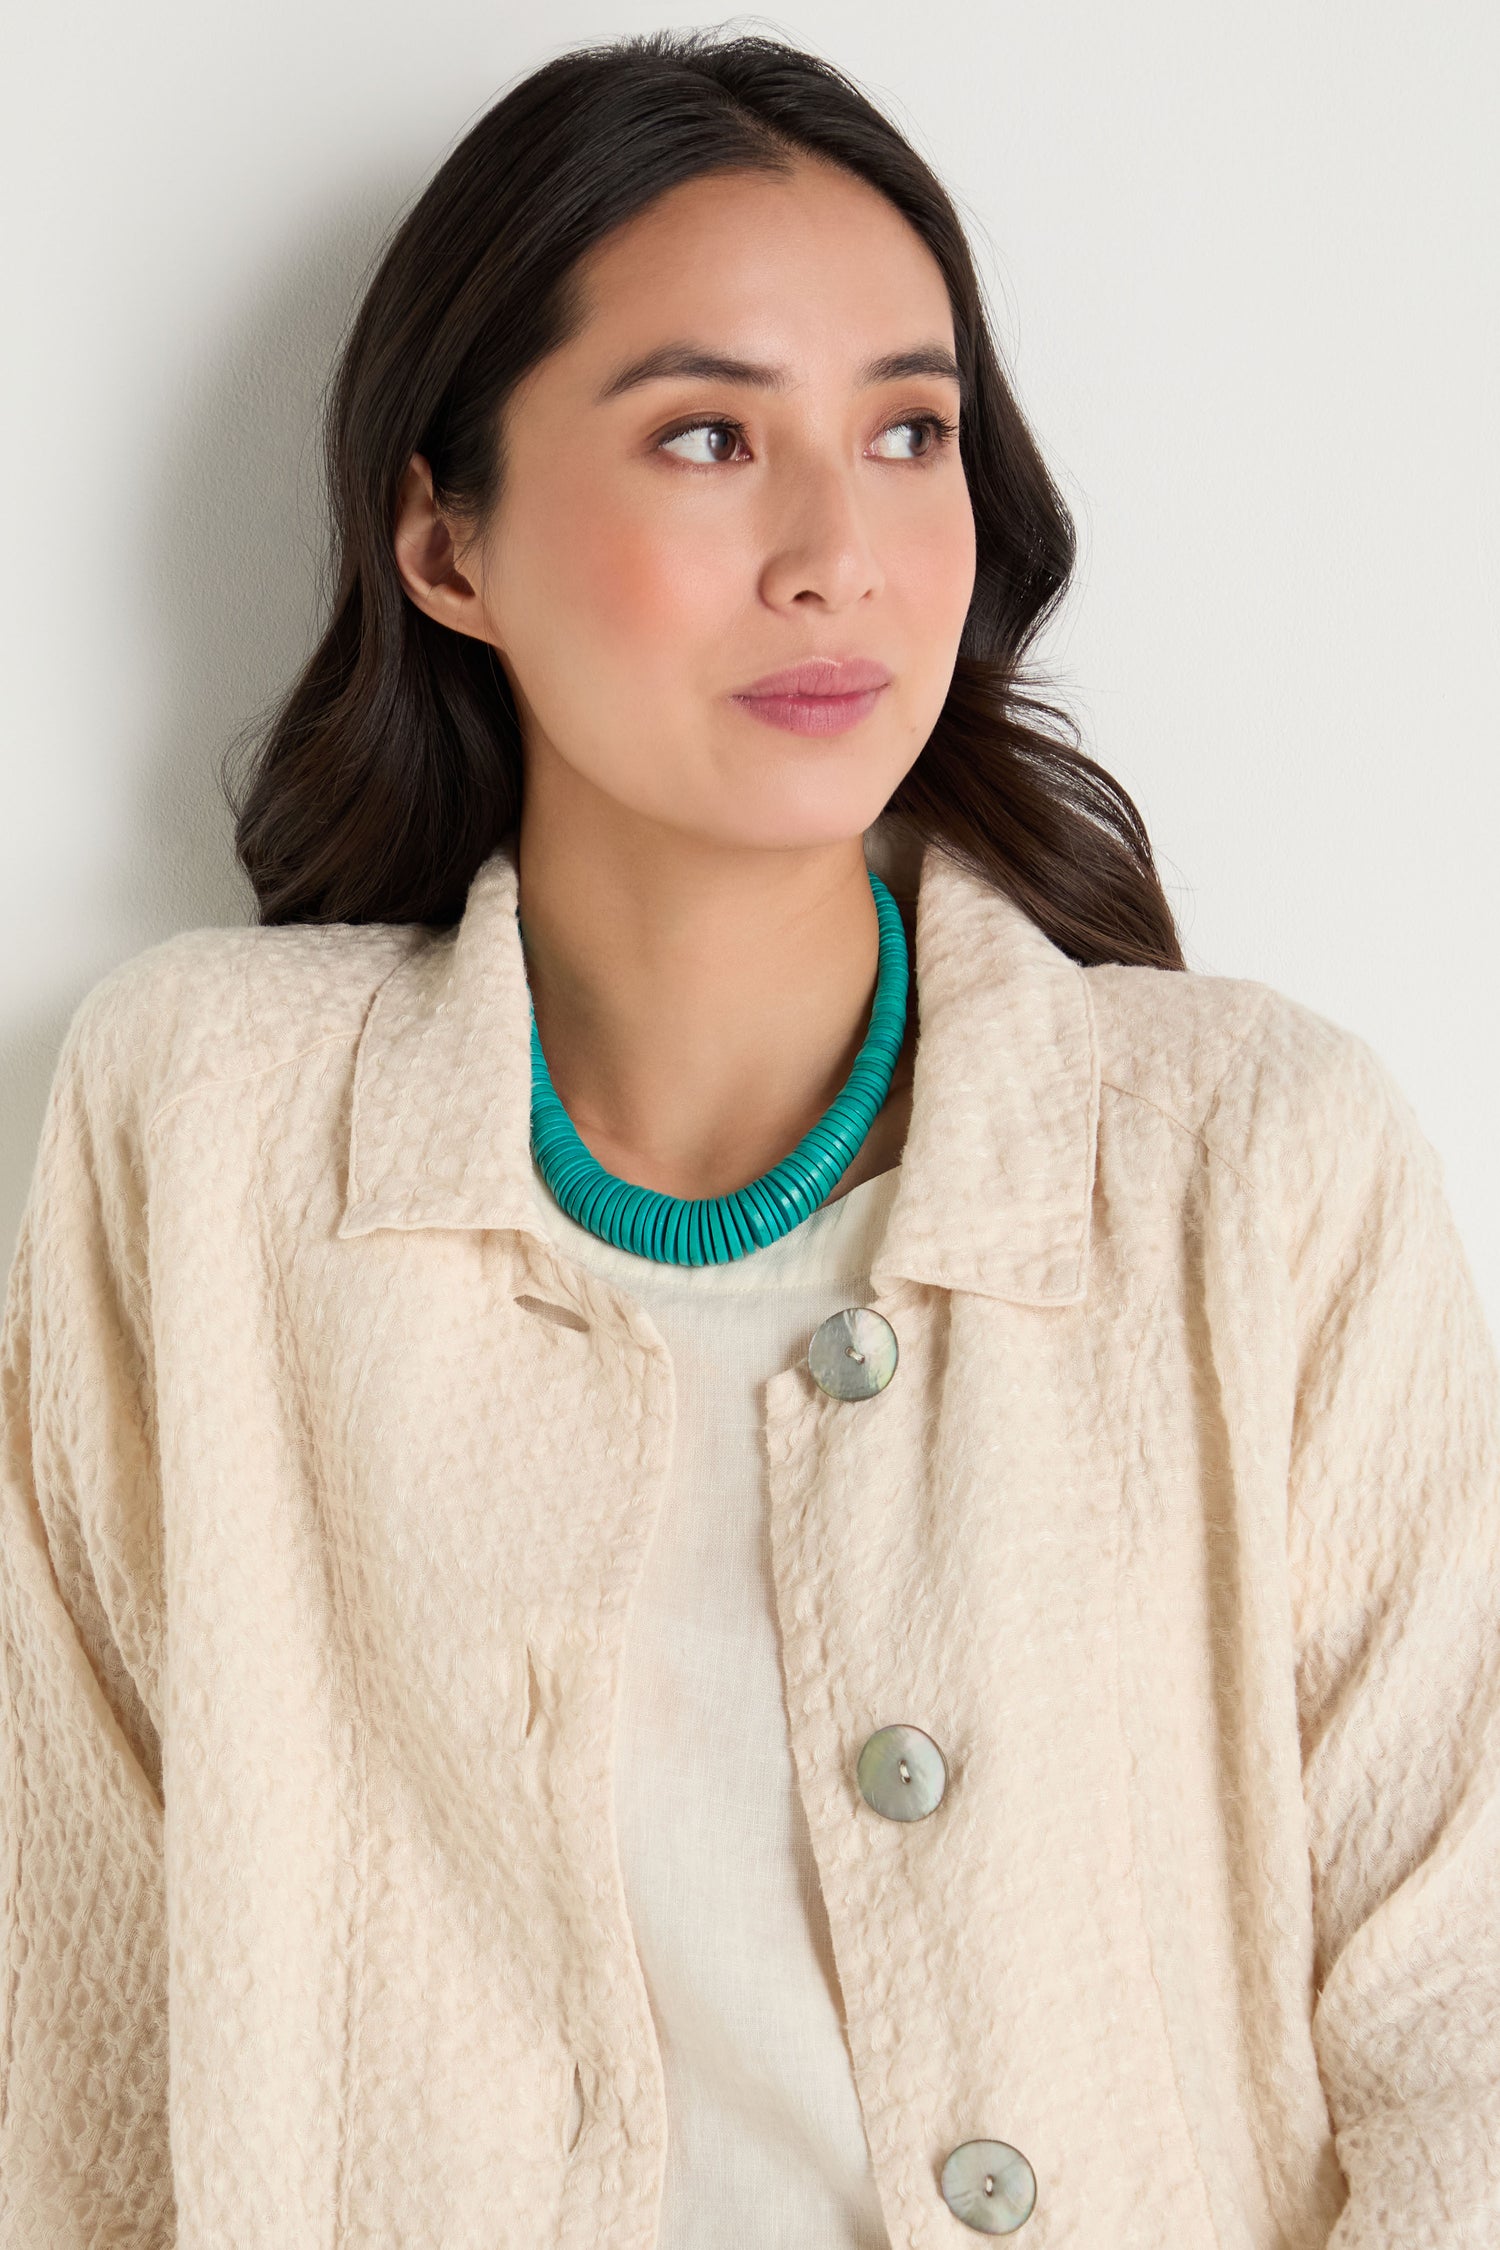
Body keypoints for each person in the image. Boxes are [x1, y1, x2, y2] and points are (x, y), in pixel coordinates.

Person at [1, 26, 1496, 2249]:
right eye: (708, 435)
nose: (841, 552)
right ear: (446, 539)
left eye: (910, 433)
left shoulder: (1248, 1160)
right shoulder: (206, 1139)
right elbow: (79, 2045)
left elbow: (1459, 2032)